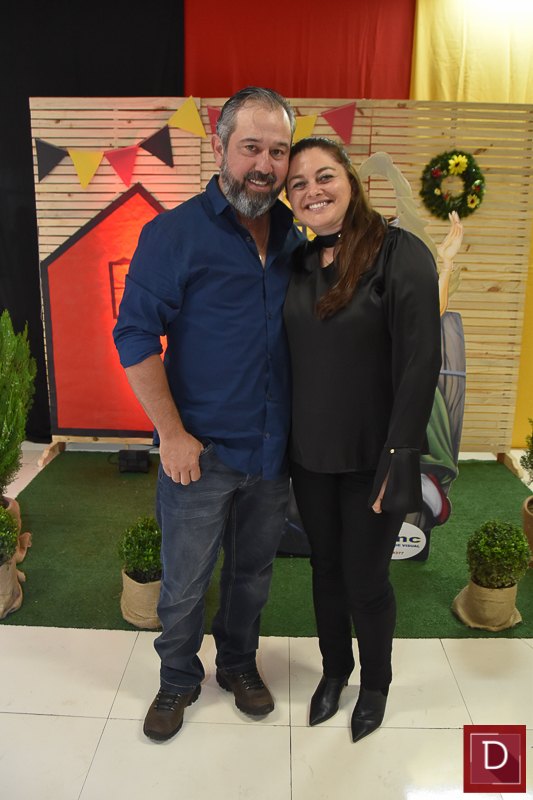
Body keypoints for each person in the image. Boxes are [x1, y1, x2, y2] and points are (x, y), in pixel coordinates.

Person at [113, 87, 304, 742]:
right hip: (199, 454)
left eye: (277, 151)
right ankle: (177, 678)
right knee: (185, 582)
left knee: (252, 575)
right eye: (251, 147)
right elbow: (135, 334)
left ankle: (238, 664)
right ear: (221, 147)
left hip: (272, 453)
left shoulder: (296, 238)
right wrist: (170, 433)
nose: (264, 164)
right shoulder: (174, 235)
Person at [283, 137, 442, 743]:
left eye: (324, 176)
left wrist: (399, 459)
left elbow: (421, 363)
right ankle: (335, 671)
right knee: (325, 569)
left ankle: (375, 683)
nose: (313, 190)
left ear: (350, 180)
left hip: (374, 456)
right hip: (311, 455)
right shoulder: (299, 263)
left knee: (366, 579)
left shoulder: (401, 254)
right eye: (298, 183)